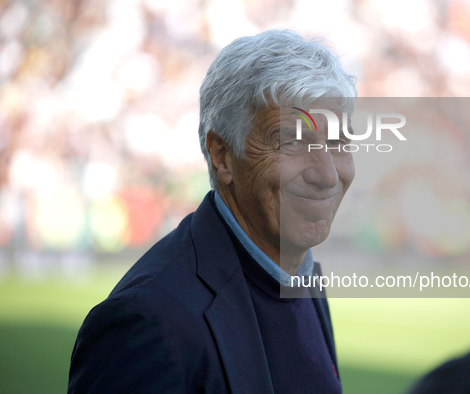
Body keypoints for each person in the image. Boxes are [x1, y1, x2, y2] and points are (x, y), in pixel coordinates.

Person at [68, 29, 356, 393]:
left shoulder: (300, 274)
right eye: (292, 141)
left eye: (339, 142)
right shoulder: (147, 321)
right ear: (222, 156)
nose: (327, 174)